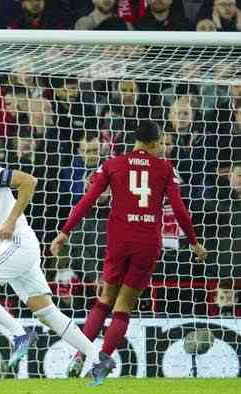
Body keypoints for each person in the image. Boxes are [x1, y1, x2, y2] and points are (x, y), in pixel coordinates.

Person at [0, 134, 109, 382]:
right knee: (46, 312)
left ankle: (18, 334)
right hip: (10, 249)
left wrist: (11, 219)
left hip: (17, 243)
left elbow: (28, 181)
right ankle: (99, 357)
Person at [50, 120, 208, 384]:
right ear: (156, 142)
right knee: (123, 308)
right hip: (147, 242)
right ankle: (101, 363)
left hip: (119, 240)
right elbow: (180, 209)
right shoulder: (165, 168)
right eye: (161, 144)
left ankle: (80, 354)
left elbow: (87, 200)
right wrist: (193, 242)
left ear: (135, 140)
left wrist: (64, 232)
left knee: (104, 300)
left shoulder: (113, 164)